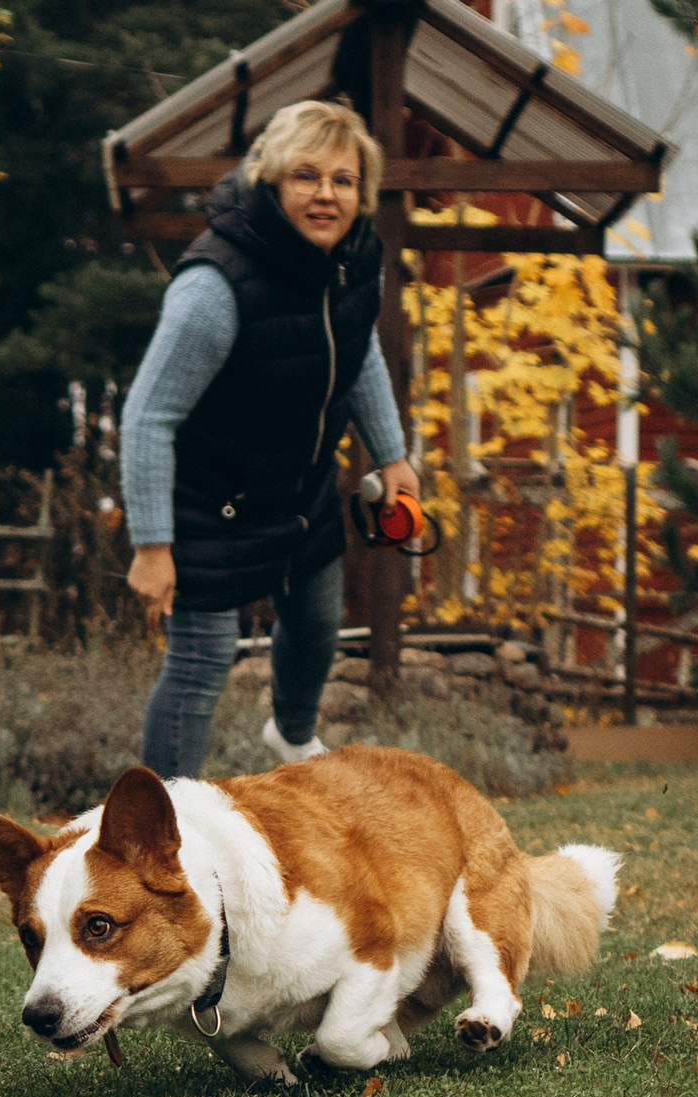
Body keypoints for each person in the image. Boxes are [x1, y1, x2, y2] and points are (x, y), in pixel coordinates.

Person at [120, 98, 420, 780]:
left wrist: (393, 456)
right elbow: (146, 416)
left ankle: (290, 735)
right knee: (201, 661)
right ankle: (164, 818)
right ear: (271, 181)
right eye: (306, 176)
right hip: (208, 499)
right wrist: (152, 547)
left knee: (316, 624)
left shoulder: (354, 261)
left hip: (298, 488)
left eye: (343, 180)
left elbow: (358, 351)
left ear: (363, 192)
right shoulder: (215, 284)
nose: (327, 194)